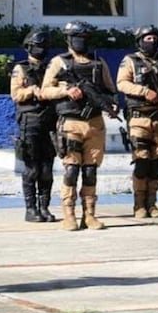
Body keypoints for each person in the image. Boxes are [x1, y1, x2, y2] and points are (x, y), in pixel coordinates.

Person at [41, 21, 118, 231]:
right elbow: (45, 90)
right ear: (68, 39)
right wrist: (66, 91)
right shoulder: (59, 63)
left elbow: (111, 90)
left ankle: (90, 215)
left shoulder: (98, 63)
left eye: (84, 38)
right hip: (71, 123)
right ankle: (68, 214)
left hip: (94, 123)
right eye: (77, 37)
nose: (80, 42)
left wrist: (112, 103)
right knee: (71, 170)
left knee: (91, 171)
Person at [116, 25, 158, 219]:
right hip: (139, 118)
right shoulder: (130, 61)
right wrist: (144, 92)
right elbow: (122, 83)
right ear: (140, 40)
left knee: (155, 162)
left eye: (154, 38)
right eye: (148, 38)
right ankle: (139, 204)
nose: (151, 42)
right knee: (142, 161)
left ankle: (152, 203)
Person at [10, 29, 57, 223]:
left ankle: (44, 207)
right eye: (38, 46)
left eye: (44, 46)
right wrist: (31, 90)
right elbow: (16, 94)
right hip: (30, 122)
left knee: (47, 169)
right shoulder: (20, 69)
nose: (41, 50)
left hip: (49, 121)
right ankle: (30, 209)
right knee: (31, 168)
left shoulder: (51, 68)